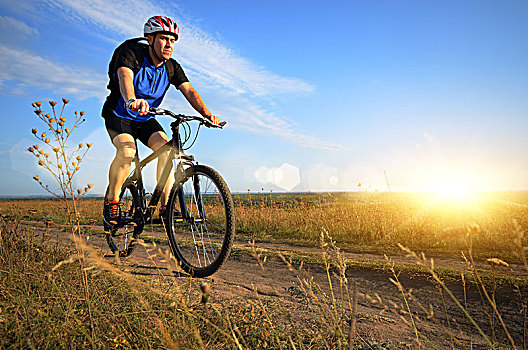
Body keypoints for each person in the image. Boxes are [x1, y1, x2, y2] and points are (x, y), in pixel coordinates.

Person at [102, 15, 221, 229]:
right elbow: (124, 78)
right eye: (164, 38)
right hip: (119, 115)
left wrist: (207, 114)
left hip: (146, 118)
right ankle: (113, 200)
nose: (169, 44)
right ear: (150, 39)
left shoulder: (172, 68)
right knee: (127, 152)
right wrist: (131, 100)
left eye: (172, 40)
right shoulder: (131, 55)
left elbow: (189, 91)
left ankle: (165, 207)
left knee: (167, 149)